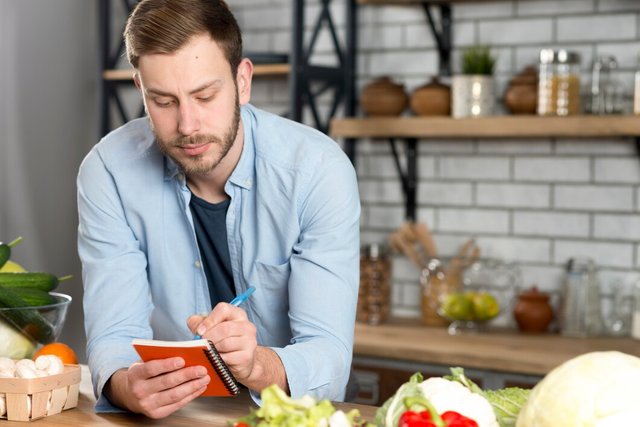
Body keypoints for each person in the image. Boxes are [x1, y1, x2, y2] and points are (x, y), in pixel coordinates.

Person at [77, 0, 360, 419]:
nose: (187, 125)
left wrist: (256, 365)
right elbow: (115, 336)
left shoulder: (317, 171)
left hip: (293, 417)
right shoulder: (109, 171)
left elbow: (329, 357)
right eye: (163, 101)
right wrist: (124, 385)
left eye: (204, 95)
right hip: (176, 418)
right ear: (140, 90)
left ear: (242, 81)